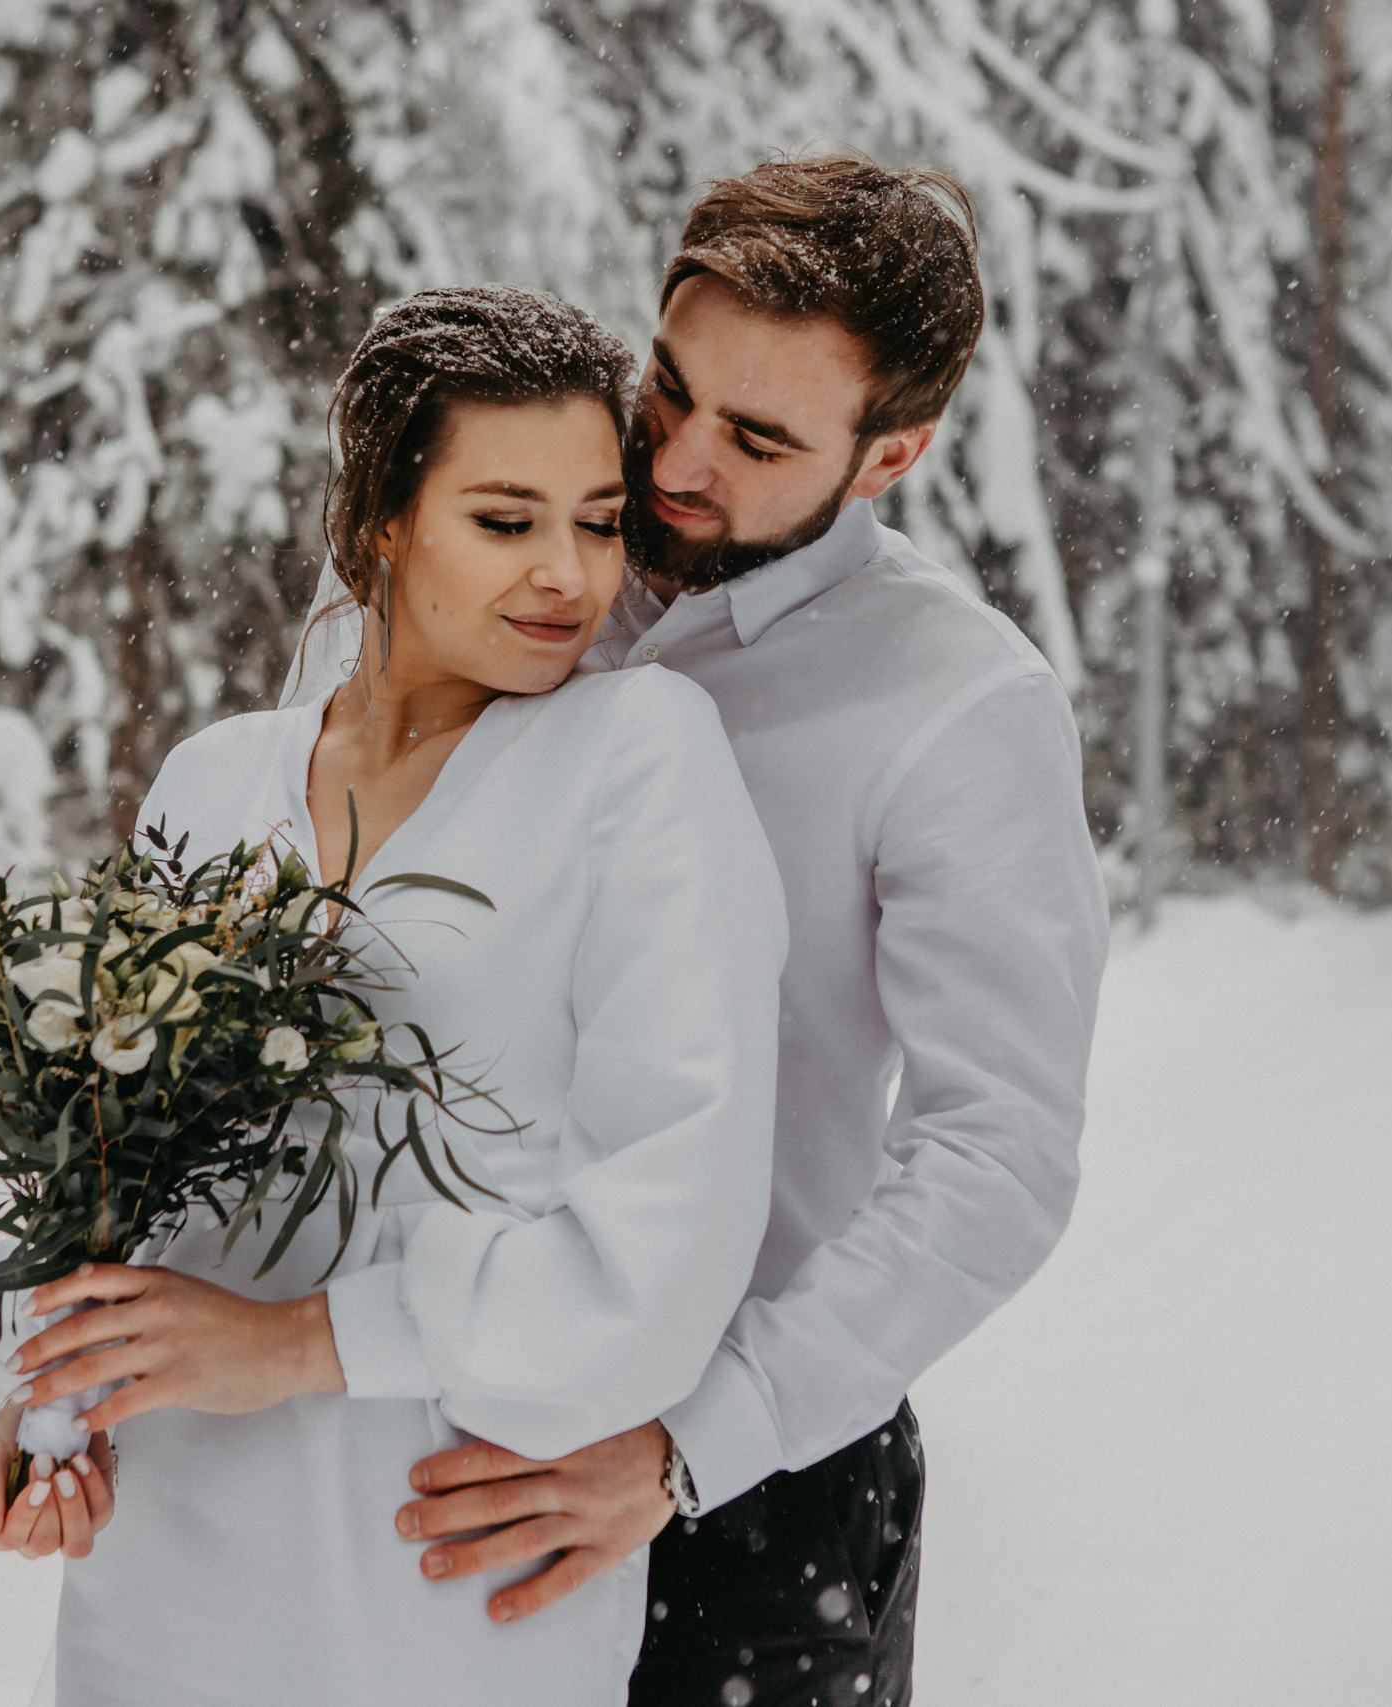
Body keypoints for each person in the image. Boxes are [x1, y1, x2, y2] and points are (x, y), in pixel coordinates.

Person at [286, 155, 1111, 1707]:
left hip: (746, 1495)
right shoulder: (534, 582)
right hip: (421, 1431)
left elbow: (997, 1155)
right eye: (670, 388)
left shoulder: (958, 709)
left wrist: (691, 1449)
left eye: (758, 437)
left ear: (893, 455)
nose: (674, 459)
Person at [0, 286, 788, 1707]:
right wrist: (39, 1407)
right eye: (506, 519)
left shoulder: (639, 755)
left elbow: (670, 1224)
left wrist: (297, 1340)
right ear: (386, 520)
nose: (569, 579)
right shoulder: (218, 776)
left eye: (600, 522)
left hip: (449, 1531)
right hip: (171, 1544)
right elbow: (86, 1144)